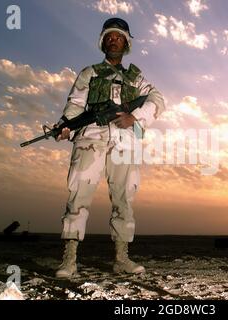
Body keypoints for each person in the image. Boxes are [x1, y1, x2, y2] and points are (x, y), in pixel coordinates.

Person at [54, 17, 165, 278]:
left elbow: (157, 99)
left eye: (119, 36)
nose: (113, 39)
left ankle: (121, 258)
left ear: (126, 43)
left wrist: (136, 118)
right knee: (78, 195)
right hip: (91, 137)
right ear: (102, 42)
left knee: (124, 198)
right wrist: (65, 127)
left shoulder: (136, 78)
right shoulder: (89, 73)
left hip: (124, 140)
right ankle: (69, 259)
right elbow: (74, 107)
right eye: (109, 36)